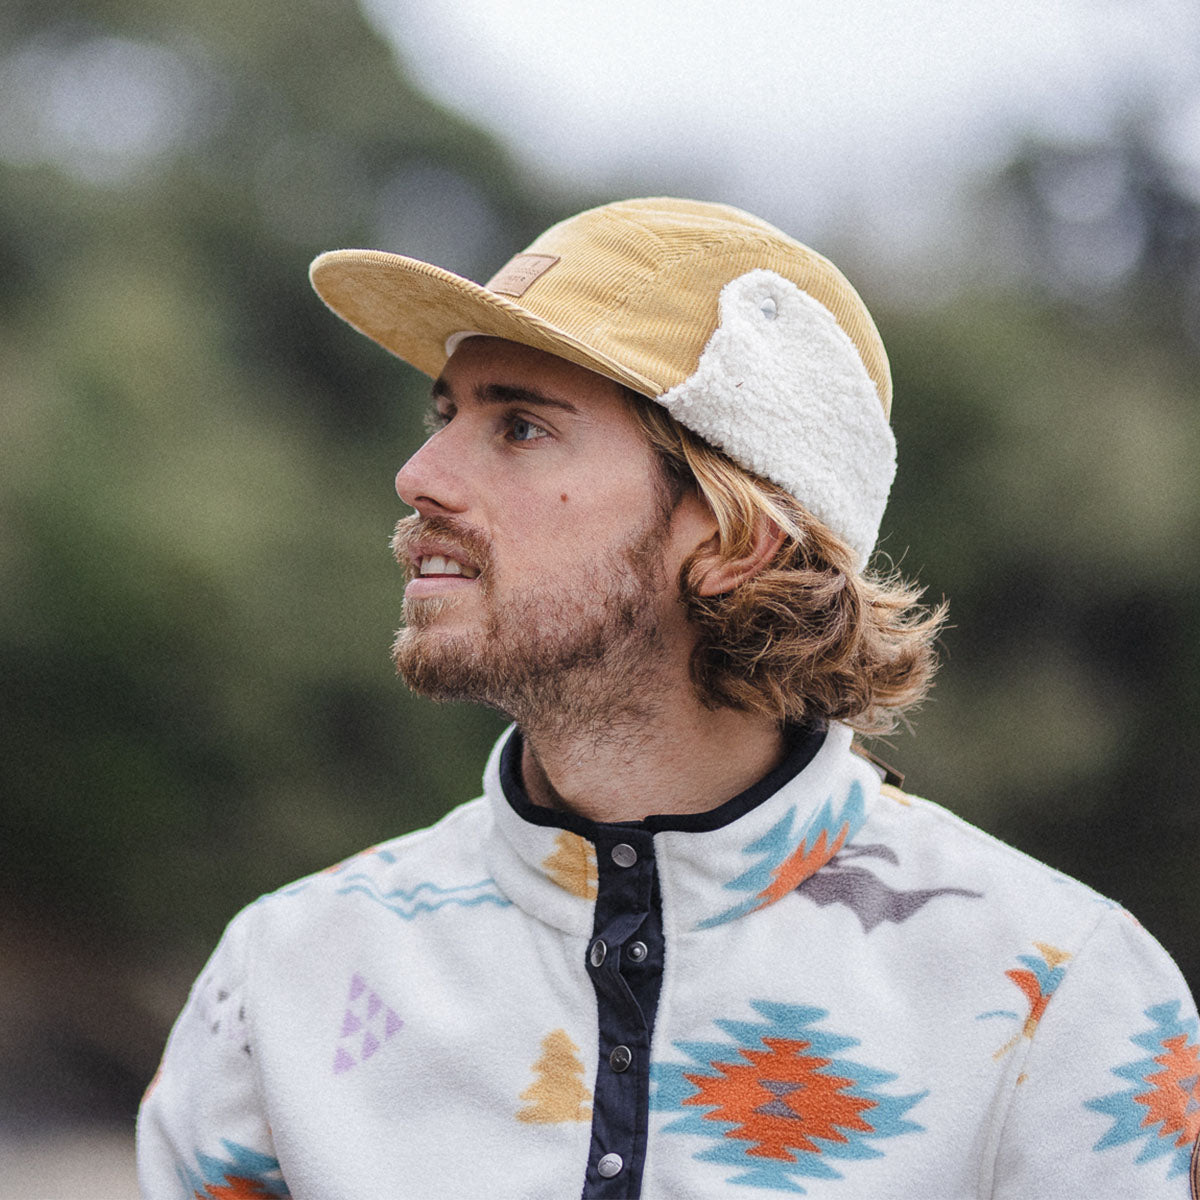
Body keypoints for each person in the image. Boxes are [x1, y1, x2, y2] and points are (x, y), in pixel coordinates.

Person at [137, 198, 1200, 1200]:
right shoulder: (283, 979)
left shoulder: (1062, 1000)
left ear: (736, 536)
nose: (419, 475)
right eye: (445, 414)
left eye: (519, 427)